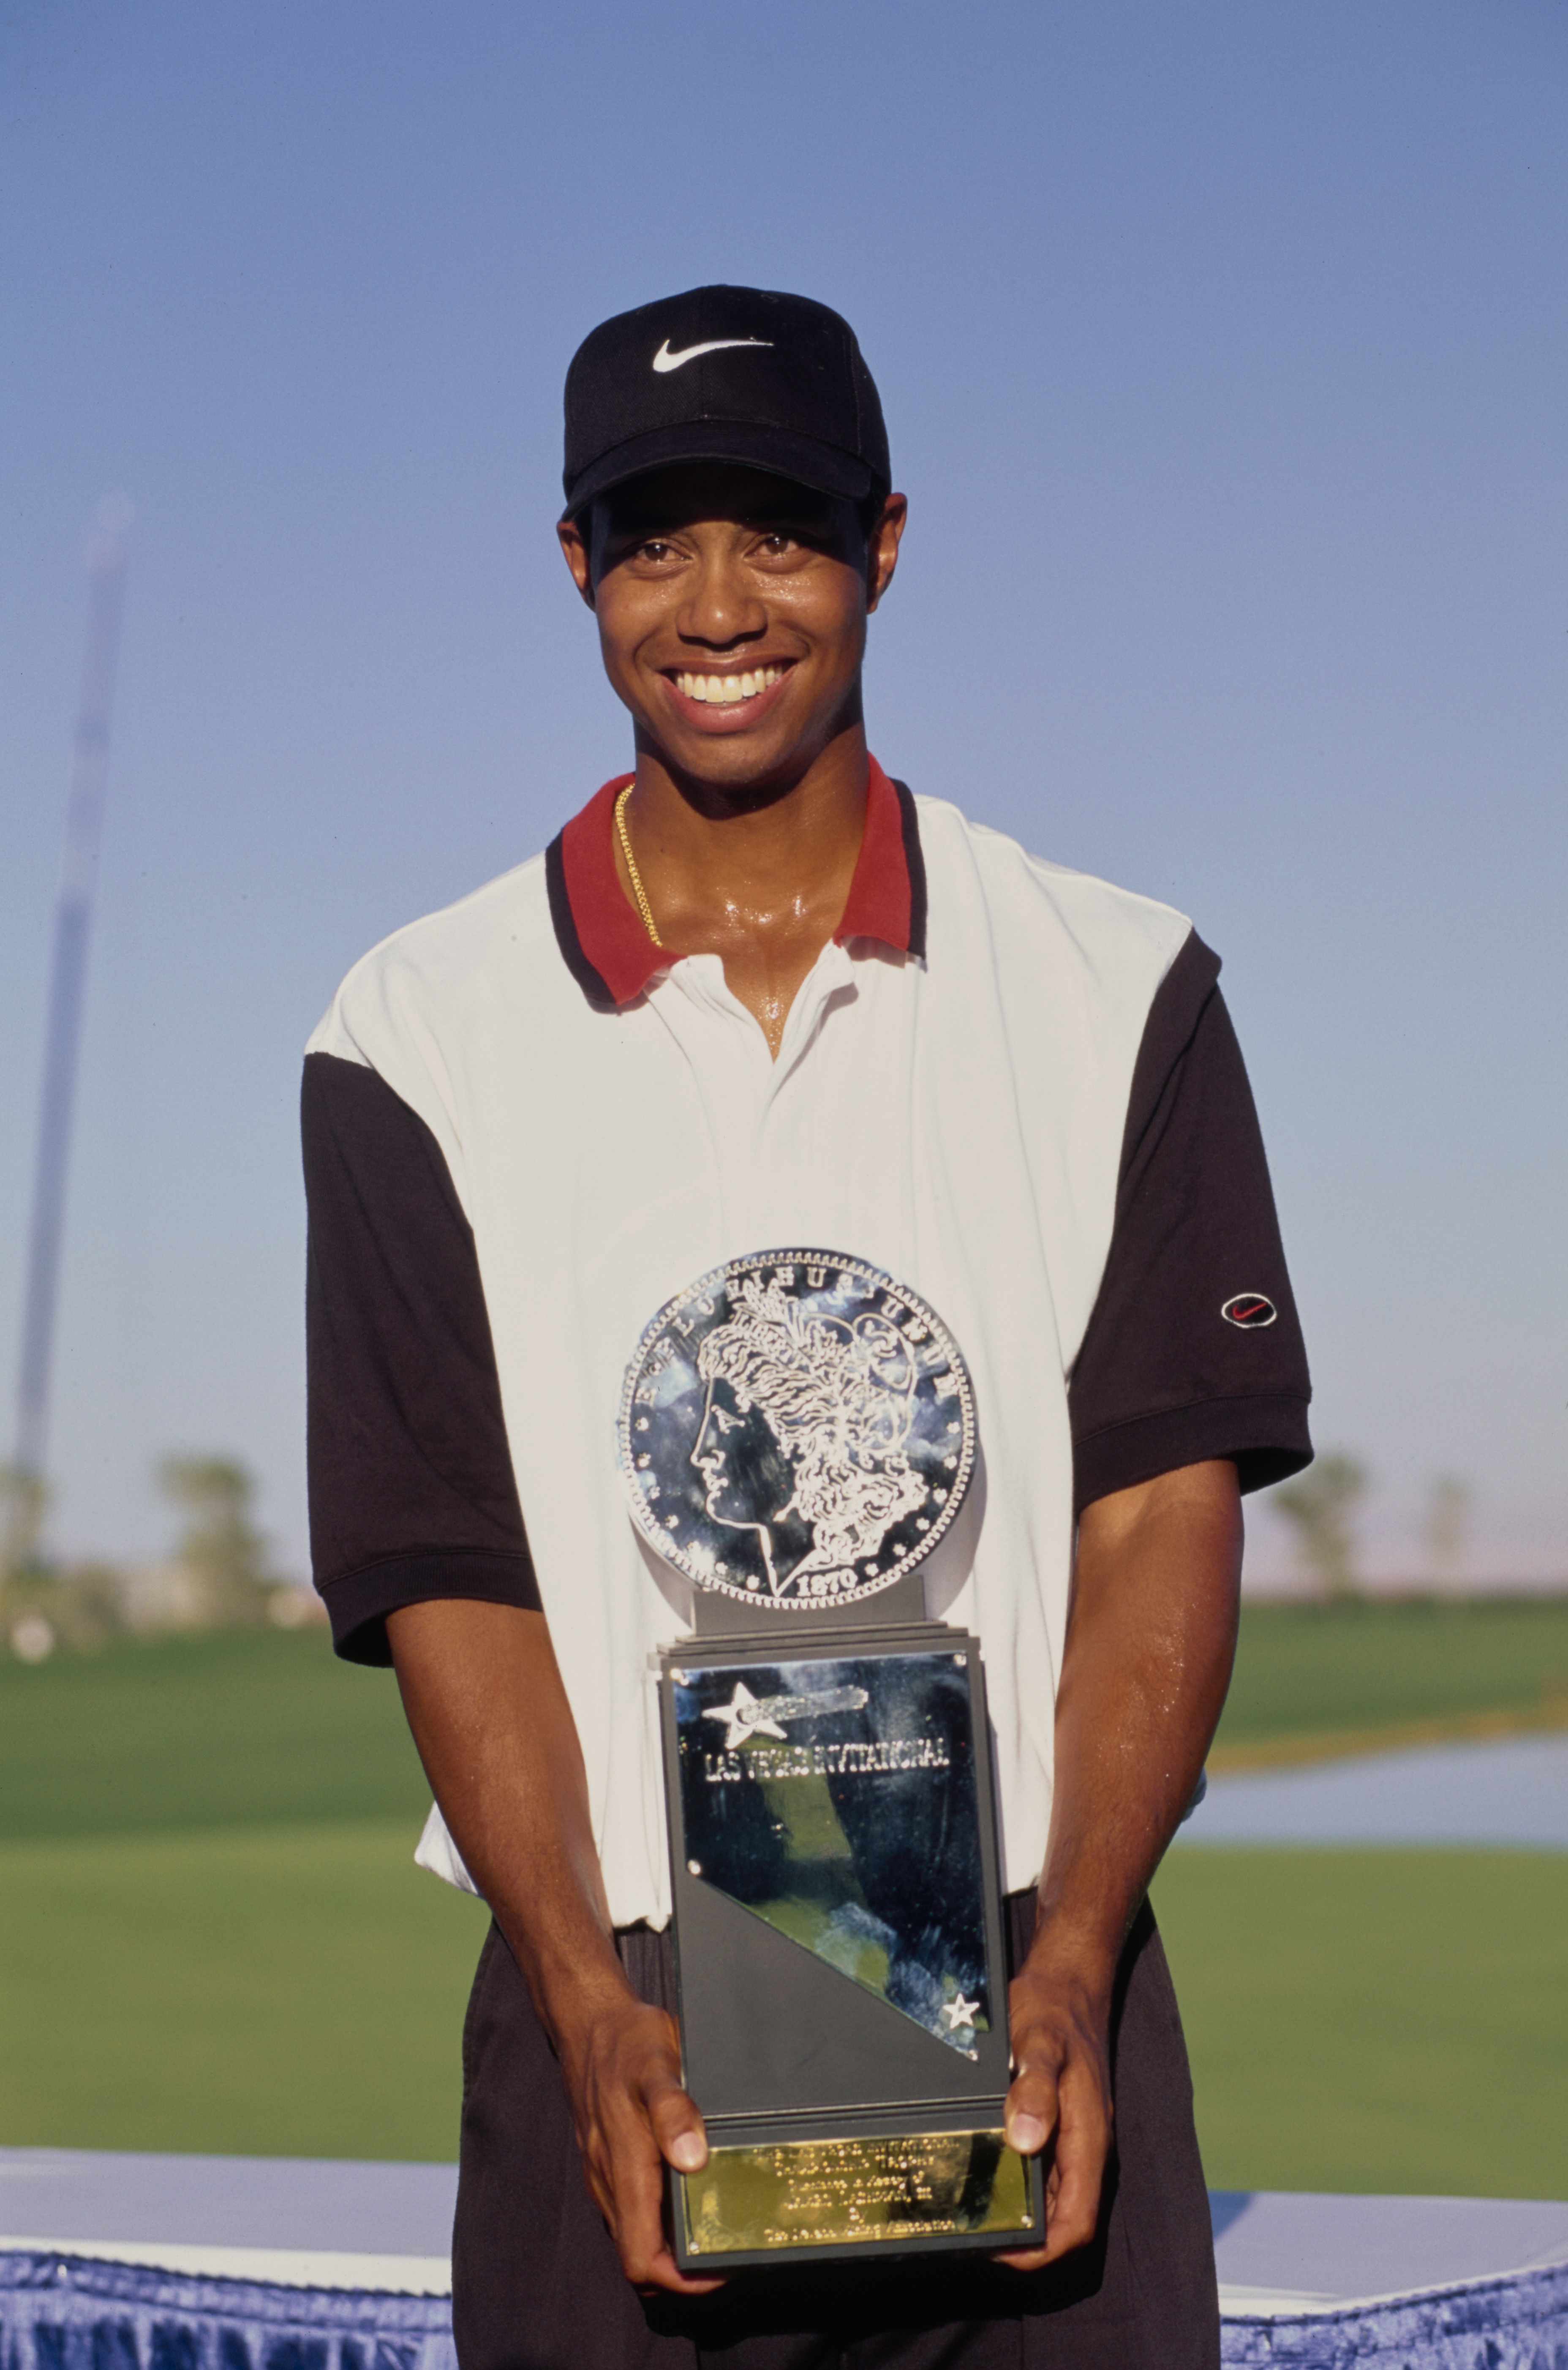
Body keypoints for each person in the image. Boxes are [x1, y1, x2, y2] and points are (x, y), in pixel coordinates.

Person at [302, 284, 1312, 2369]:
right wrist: (589, 2002)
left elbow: (1157, 1516)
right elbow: (447, 1577)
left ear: (885, 544)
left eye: (780, 526)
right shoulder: (412, 1028)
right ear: (574, 565)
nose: (717, 599)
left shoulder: (1118, 980)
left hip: (1035, 1961)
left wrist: (1077, 1958)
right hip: (625, 1983)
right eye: (653, 533)